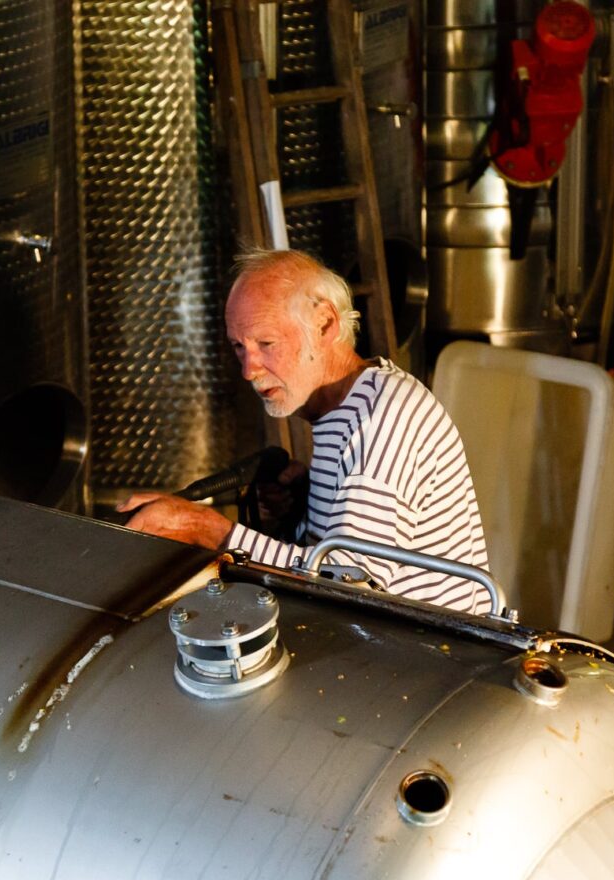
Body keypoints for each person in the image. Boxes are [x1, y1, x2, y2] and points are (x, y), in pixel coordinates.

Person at [118, 248, 491, 613]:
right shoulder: (343, 410)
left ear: (325, 324)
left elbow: (347, 586)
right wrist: (303, 509)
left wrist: (208, 530)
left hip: (432, 660)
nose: (249, 369)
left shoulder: (384, 415)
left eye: (266, 343)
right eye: (238, 346)